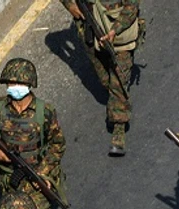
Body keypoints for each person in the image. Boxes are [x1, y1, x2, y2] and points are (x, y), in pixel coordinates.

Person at [0, 58, 66, 209]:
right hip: (8, 179)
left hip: (36, 175)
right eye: (10, 83)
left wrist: (43, 172)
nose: (12, 87)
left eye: (17, 82)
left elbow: (58, 144)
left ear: (28, 83)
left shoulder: (44, 111)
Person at [60, 0, 141, 155]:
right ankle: (116, 97)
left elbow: (132, 6)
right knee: (106, 80)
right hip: (91, 27)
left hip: (119, 31)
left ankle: (119, 127)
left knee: (117, 80)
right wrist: (70, 5)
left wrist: (114, 30)